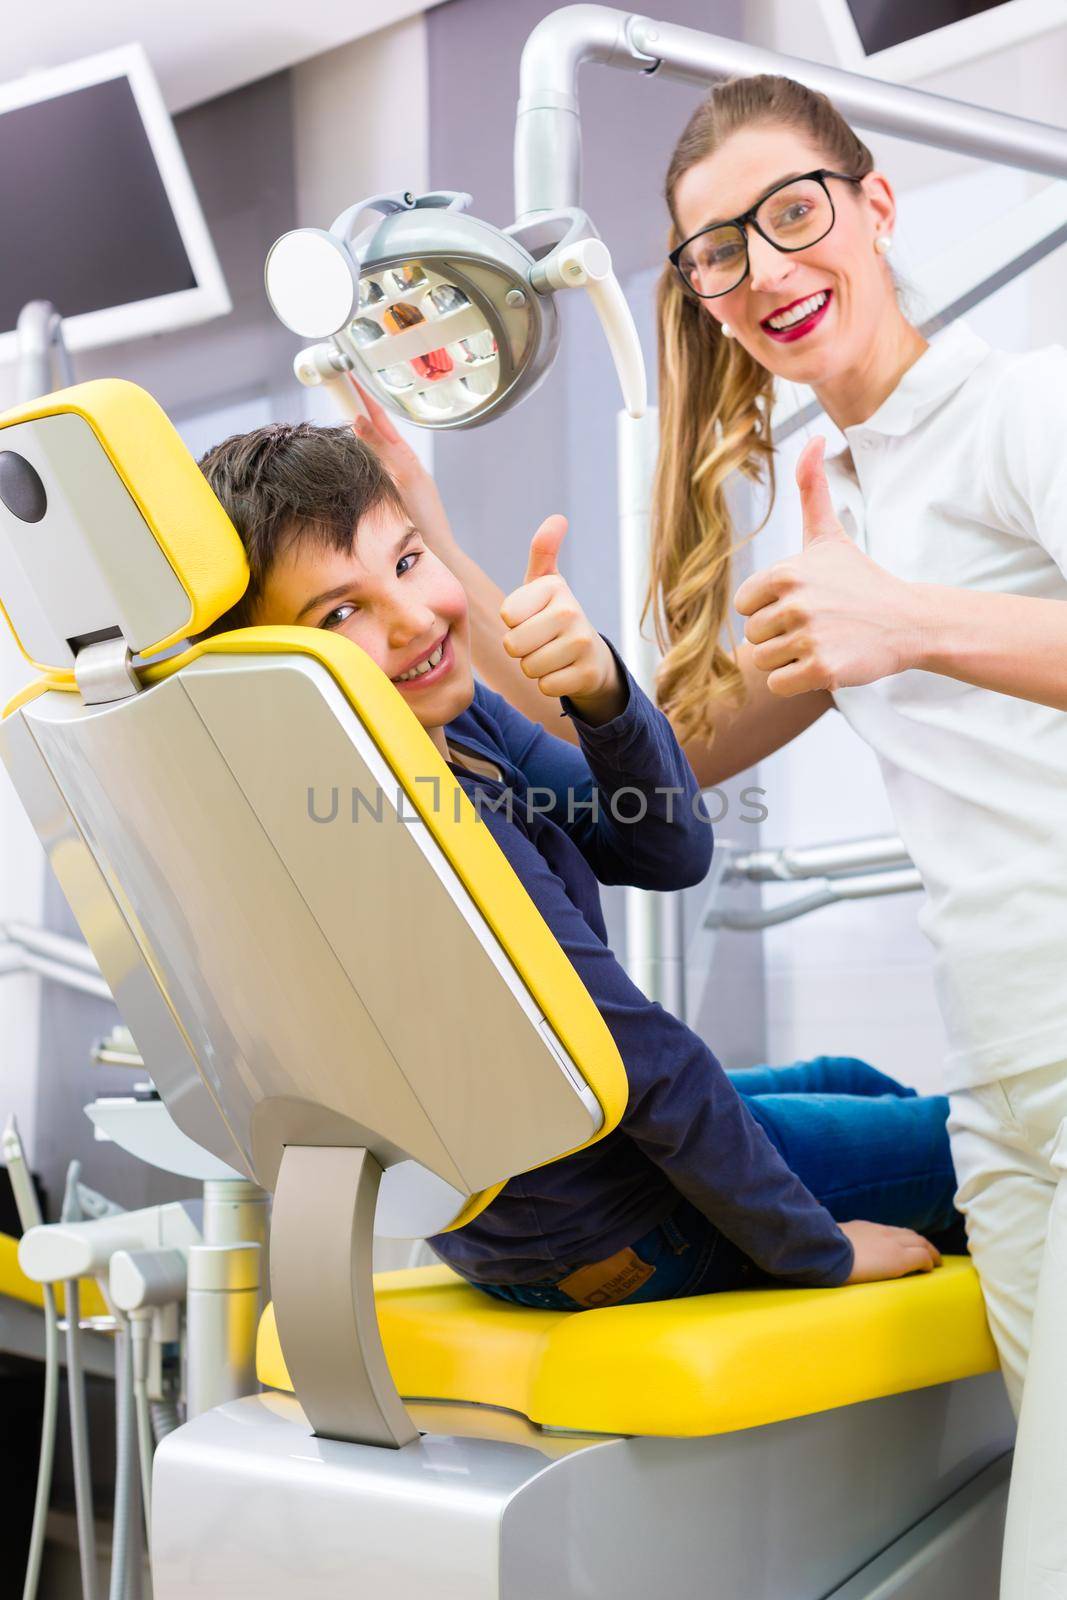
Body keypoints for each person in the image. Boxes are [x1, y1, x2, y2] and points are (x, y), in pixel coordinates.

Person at [362, 73, 1066, 1600]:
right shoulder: (848, 510)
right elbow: (646, 774)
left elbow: (901, 627)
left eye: (791, 213)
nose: (762, 270)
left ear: (875, 206)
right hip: (1011, 1116)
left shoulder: (1024, 409)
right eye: (714, 252)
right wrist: (435, 558)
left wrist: (914, 625)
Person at [196, 419, 964, 1314]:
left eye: (406, 562)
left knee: (848, 1081)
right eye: (339, 614)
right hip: (617, 1234)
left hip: (547, 1196)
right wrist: (815, 1249)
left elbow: (666, 846)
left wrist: (598, 688)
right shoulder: (416, 832)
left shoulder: (448, 724)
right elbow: (639, 1061)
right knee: (986, 1149)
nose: (412, 621)